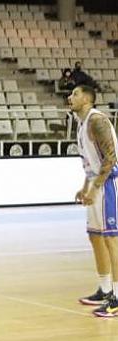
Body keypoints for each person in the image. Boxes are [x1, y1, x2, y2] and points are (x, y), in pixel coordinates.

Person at [70, 85, 118, 317]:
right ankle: (106, 289)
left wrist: (96, 187)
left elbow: (111, 159)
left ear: (88, 98)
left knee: (112, 240)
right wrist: (85, 187)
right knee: (96, 237)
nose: (70, 97)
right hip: (97, 183)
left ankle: (117, 298)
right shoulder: (81, 123)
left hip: (111, 184)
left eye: (75, 94)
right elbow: (90, 163)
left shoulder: (97, 120)